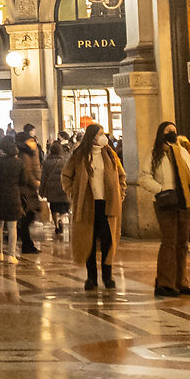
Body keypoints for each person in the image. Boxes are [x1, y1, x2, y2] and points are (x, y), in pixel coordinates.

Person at [65, 120, 125, 290]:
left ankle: (108, 276)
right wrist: (73, 193)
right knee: (88, 241)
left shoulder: (110, 155)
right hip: (87, 204)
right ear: (91, 137)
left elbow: (121, 176)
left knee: (108, 240)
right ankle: (91, 277)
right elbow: (66, 176)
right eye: (99, 134)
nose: (102, 137)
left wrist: (120, 193)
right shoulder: (79, 155)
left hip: (107, 204)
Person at [151, 120, 190, 296]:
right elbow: (144, 177)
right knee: (169, 242)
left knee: (182, 244)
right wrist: (160, 189)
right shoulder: (155, 155)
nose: (172, 132)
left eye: (174, 130)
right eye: (168, 130)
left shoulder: (183, 152)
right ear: (161, 133)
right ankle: (165, 283)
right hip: (165, 202)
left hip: (184, 201)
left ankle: (181, 281)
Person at [0, 130, 22, 260]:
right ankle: (12, 255)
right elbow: (23, 180)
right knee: (12, 225)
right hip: (13, 194)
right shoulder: (18, 162)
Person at [15, 124, 44, 256]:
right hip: (27, 188)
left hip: (28, 188)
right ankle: (27, 244)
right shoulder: (26, 153)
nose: (34, 142)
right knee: (28, 216)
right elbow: (27, 171)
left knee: (28, 215)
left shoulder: (29, 151)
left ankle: (27, 243)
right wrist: (35, 182)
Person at [43, 136, 70, 239]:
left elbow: (43, 177)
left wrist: (42, 190)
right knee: (64, 207)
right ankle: (62, 219)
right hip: (63, 187)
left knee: (54, 208)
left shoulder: (46, 162)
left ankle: (56, 224)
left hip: (51, 188)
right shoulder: (65, 161)